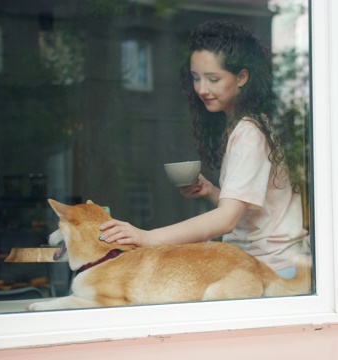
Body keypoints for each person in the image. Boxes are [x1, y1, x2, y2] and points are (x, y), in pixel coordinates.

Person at [98, 20, 309, 278]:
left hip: (273, 272)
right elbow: (251, 210)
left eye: (213, 78)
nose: (202, 89)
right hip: (265, 266)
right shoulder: (248, 124)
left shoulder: (249, 132)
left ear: (242, 77)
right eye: (196, 77)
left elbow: (226, 220)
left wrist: (147, 237)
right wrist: (211, 191)